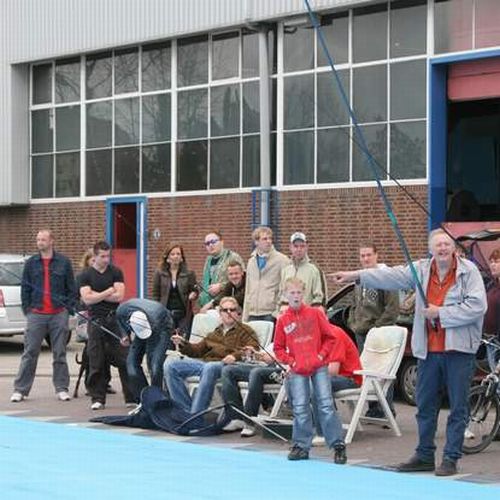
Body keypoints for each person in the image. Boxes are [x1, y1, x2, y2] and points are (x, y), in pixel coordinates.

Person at [333, 228, 487, 476]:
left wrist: (441, 313)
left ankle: (450, 457)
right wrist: (356, 276)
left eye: (446, 244)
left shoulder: (469, 273)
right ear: (430, 249)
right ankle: (424, 454)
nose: (442, 249)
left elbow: (477, 306)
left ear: (454, 248)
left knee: (458, 407)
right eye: (438, 245)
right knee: (425, 405)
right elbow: (390, 276)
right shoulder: (422, 269)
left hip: (459, 351)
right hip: (428, 351)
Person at [274, 277, 347, 464]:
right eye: (292, 293)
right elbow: (278, 348)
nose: (296, 296)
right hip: (298, 368)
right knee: (299, 407)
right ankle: (301, 445)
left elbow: (330, 337)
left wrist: (321, 356)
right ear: (285, 295)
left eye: (299, 293)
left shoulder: (315, 314)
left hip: (319, 366)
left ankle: (337, 444)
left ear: (303, 294)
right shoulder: (283, 320)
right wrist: (291, 362)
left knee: (325, 404)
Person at [164, 296, 259, 415]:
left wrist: (235, 356)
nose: (229, 313)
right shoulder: (215, 332)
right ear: (220, 313)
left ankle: (196, 415)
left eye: (232, 310)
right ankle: (186, 411)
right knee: (170, 365)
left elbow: (253, 348)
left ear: (238, 313)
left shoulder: (245, 330)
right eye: (225, 310)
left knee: (210, 367)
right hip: (206, 364)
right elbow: (197, 350)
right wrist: (183, 343)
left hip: (228, 366)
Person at [11, 230, 76, 403]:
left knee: (59, 353)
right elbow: (25, 288)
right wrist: (28, 310)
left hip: (58, 313)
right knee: (30, 352)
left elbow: (71, 287)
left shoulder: (64, 262)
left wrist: (68, 309)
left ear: (51, 241)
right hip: (36, 313)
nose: (40, 242)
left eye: (43, 239)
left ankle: (61, 388)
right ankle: (20, 389)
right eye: (38, 239)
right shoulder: (31, 263)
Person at [79, 240, 134, 410]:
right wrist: (108, 292)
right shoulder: (85, 275)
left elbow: (119, 296)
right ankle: (98, 398)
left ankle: (131, 397)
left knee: (124, 358)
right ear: (94, 257)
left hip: (114, 319)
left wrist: (98, 295)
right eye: (102, 256)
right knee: (96, 360)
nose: (106, 259)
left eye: (108, 256)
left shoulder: (116, 272)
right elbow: (86, 299)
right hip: (95, 320)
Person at [347, 243, 399, 417]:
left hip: (380, 332)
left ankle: (387, 409)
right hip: (361, 332)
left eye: (369, 255)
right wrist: (353, 322)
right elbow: (355, 303)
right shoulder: (359, 278)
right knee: (366, 370)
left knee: (383, 371)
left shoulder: (385, 278)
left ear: (376, 255)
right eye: (362, 256)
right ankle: (373, 408)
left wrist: (377, 328)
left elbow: (392, 308)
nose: (365, 259)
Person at [116, 298, 174, 402]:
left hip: (162, 327)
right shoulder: (121, 311)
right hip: (142, 325)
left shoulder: (156, 318)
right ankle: (143, 398)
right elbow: (121, 323)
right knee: (131, 363)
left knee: (155, 366)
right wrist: (125, 335)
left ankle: (158, 398)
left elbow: (151, 352)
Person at [220, 343, 283, 437]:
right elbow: (262, 357)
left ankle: (249, 421)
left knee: (256, 372)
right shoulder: (277, 340)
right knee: (228, 370)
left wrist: (274, 358)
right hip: (266, 368)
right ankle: (236, 417)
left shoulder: (297, 337)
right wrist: (254, 353)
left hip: (283, 372)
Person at [243, 226, 289, 322]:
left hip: (270, 312)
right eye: (264, 239)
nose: (268, 241)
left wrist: (278, 311)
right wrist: (245, 316)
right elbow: (248, 289)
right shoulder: (251, 261)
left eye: (270, 238)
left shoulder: (282, 260)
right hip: (253, 313)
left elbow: (286, 286)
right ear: (256, 242)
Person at [152, 243, 197, 333]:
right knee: (167, 340)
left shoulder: (189, 273)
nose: (176, 256)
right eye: (172, 254)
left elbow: (195, 289)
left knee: (183, 341)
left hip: (184, 314)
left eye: (178, 254)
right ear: (167, 258)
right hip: (166, 313)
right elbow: (156, 294)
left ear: (181, 258)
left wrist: (194, 294)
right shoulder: (160, 273)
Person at [278, 231, 326, 313]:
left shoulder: (314, 270)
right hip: (288, 316)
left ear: (307, 247)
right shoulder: (286, 270)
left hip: (307, 316)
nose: (299, 249)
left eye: (302, 246)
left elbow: (320, 297)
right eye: (296, 246)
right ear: (290, 247)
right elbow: (282, 294)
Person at [198, 231, 244, 308]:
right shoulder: (208, 260)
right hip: (207, 303)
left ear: (222, 242)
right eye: (207, 243)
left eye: (213, 242)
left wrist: (221, 286)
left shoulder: (233, 257)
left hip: (226, 304)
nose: (211, 245)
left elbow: (242, 279)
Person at [485, 247, 500, 371]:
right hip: (490, 340)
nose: (493, 265)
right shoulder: (491, 285)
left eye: (497, 261)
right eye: (491, 262)